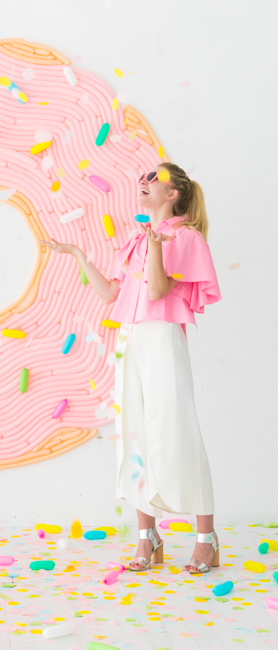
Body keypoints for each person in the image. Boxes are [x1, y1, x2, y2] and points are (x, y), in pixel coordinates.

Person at [41, 163, 222, 573]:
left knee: (178, 432)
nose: (143, 182)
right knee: (134, 436)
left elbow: (158, 290)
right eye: (142, 178)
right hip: (129, 340)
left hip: (162, 339)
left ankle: (205, 539)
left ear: (173, 194)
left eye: (153, 180)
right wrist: (78, 256)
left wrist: (157, 247)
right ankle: (147, 536)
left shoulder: (185, 238)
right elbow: (109, 293)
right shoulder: (137, 240)